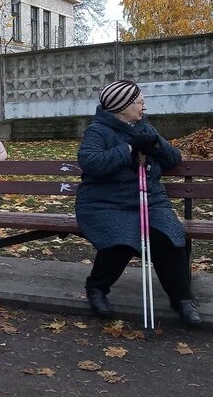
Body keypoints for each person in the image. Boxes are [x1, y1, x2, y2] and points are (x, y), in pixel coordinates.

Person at [76, 80, 201, 325]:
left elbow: (174, 158)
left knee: (167, 235)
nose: (144, 106)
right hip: (105, 203)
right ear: (122, 106)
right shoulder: (98, 131)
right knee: (122, 236)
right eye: (139, 102)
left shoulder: (145, 127)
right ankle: (97, 288)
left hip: (150, 201)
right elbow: (91, 163)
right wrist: (130, 148)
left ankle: (182, 299)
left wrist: (155, 143)